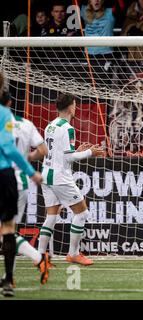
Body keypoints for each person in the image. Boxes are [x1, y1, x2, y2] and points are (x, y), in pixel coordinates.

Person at [37, 94, 104, 266]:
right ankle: (73, 253)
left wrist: (76, 150)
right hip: (60, 177)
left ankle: (39, 256)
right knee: (82, 212)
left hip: (46, 175)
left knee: (51, 216)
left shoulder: (50, 125)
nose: (76, 108)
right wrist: (90, 152)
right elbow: (68, 158)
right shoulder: (67, 128)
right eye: (75, 105)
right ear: (70, 107)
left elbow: (61, 152)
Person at [0, 91, 50, 287]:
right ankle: (11, 276)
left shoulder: (5, 123)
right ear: (11, 102)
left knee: (7, 231)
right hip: (19, 183)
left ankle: (37, 259)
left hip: (8, 179)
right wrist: (28, 158)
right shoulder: (26, 124)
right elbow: (43, 150)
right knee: (7, 230)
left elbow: (8, 148)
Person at [80, 0, 116, 86]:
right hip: (89, 56)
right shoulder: (84, 11)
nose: (96, 0)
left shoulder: (110, 12)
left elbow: (121, 5)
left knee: (104, 86)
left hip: (105, 55)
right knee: (91, 86)